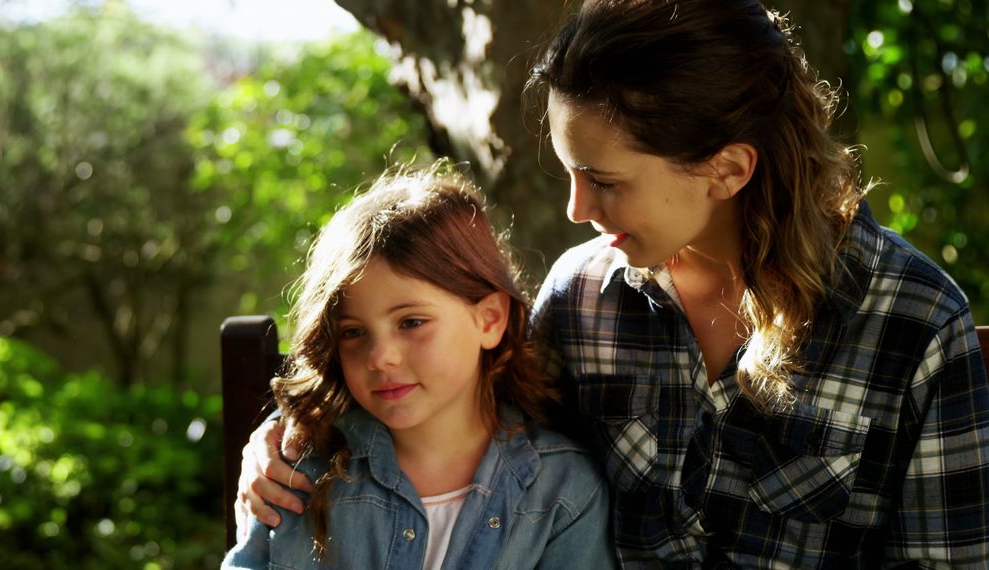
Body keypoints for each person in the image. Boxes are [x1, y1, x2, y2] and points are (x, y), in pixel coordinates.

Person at [236, 0, 989, 567]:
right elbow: (445, 417)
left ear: (728, 168)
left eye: (603, 180)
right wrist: (285, 440)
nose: (576, 209)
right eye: (568, 172)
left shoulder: (913, 323)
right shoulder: (583, 299)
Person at [223, 162, 615, 569]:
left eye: (411, 322)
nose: (380, 357)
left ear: (490, 320)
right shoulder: (295, 472)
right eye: (354, 332)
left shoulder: (564, 492)